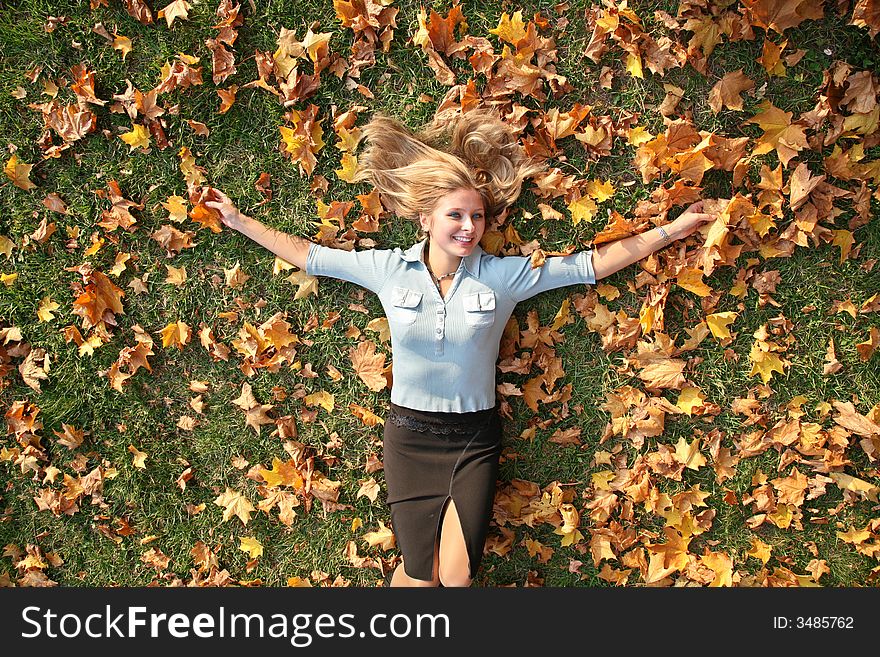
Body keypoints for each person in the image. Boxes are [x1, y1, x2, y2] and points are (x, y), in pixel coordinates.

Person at [206, 109, 714, 587]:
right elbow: (312, 257)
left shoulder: (503, 277)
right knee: (421, 575)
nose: (470, 227)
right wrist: (237, 220)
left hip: (473, 437)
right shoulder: (386, 269)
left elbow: (589, 266)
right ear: (426, 219)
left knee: (456, 577)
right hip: (409, 437)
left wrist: (673, 230)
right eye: (456, 215)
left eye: (478, 216)